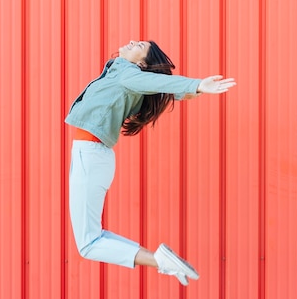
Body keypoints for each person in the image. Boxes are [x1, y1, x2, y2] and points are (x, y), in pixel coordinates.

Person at [65, 39, 236, 286]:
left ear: (142, 63)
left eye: (139, 47)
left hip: (90, 154)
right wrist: (186, 91)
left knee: (89, 244)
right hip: (91, 155)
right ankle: (160, 260)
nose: (132, 42)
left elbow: (154, 81)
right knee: (92, 239)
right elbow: (154, 85)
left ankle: (160, 261)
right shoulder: (122, 75)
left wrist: (197, 85)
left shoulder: (129, 75)